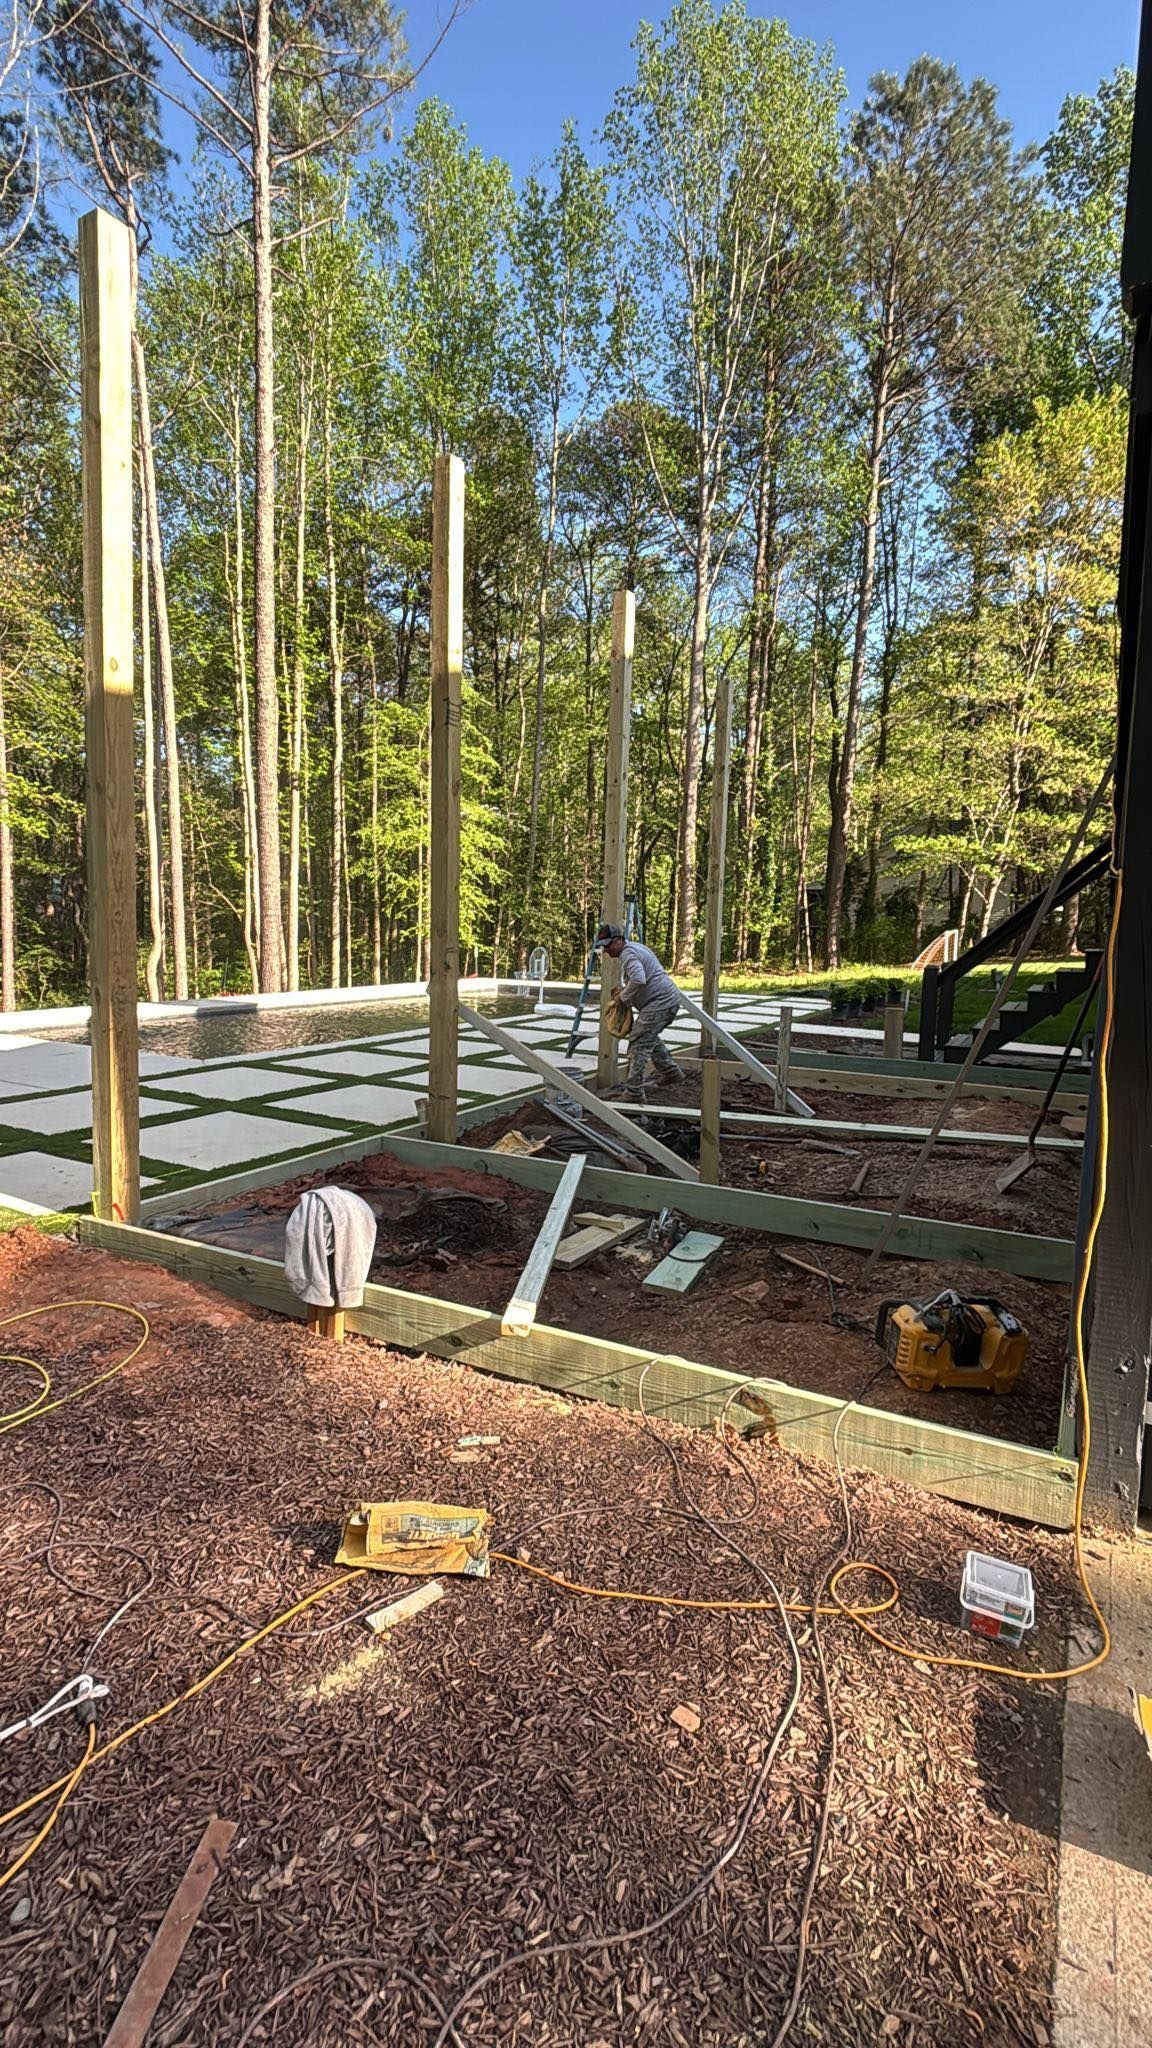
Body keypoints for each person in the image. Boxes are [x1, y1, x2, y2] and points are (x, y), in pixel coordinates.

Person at [596, 923, 686, 1102]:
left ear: (619, 940)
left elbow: (638, 979)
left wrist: (622, 997)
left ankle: (634, 1093)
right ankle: (671, 1072)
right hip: (667, 1001)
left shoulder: (628, 954)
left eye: (608, 945)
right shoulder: (636, 948)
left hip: (660, 1003)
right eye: (603, 946)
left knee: (638, 1044)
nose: (606, 950)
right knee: (647, 1037)